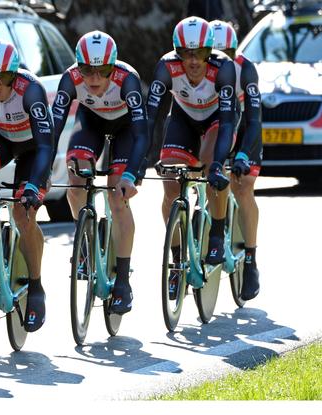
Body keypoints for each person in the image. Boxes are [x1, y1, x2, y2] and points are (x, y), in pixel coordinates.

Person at [51, 30, 149, 315]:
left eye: (102, 71)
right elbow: (55, 126)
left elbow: (143, 135)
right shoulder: (70, 79)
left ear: (113, 67)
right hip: (91, 122)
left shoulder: (127, 80)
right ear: (78, 67)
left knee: (117, 196)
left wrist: (131, 174)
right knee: (75, 178)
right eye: (87, 71)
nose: (93, 79)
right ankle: (86, 242)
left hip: (126, 129)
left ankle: (122, 278)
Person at [146, 16, 237, 298]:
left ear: (210, 51)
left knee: (211, 168)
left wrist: (219, 166)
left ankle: (217, 235)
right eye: (187, 53)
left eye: (200, 53)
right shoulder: (166, 66)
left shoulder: (223, 68)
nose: (194, 61)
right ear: (178, 52)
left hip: (216, 122)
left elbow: (227, 120)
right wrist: (141, 161)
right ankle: (177, 262)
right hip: (183, 119)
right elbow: (153, 116)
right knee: (170, 185)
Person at [0, 41, 54, 332]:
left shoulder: (30, 90)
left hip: (33, 148)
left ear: (14, 76)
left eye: (2, 78)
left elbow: (45, 146)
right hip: (2, 138)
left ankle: (36, 284)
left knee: (22, 214)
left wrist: (32, 187)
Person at [211, 19, 261, 300]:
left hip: (244, 127)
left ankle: (251, 259)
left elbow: (254, 119)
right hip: (215, 122)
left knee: (242, 185)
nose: (220, 60)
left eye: (226, 53)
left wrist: (242, 153)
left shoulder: (245, 69)